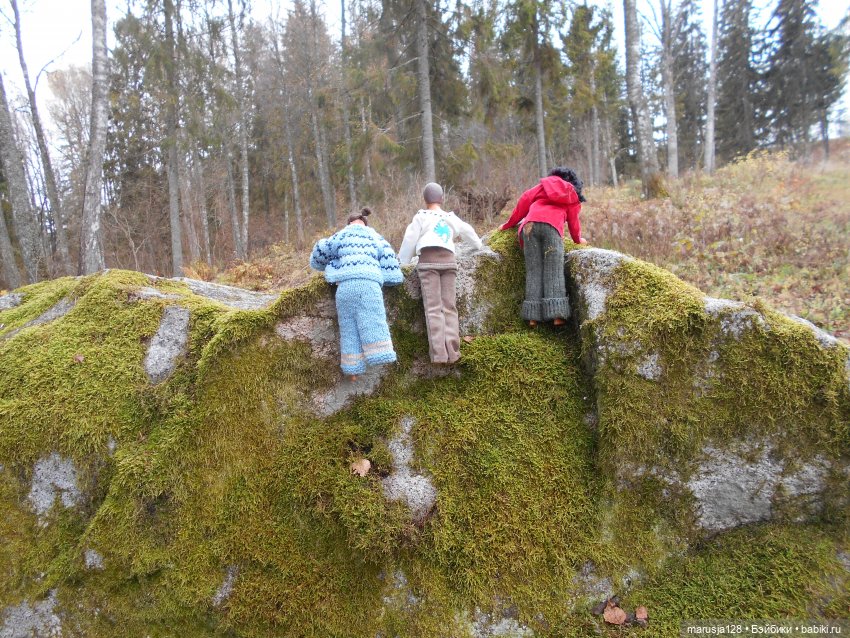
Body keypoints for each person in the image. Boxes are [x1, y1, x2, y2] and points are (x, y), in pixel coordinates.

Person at [310, 207, 403, 380]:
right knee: (373, 320)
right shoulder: (375, 236)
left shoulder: (341, 236)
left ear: (349, 223)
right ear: (365, 222)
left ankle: (352, 368)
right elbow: (389, 258)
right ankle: (380, 354)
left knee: (348, 329)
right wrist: (391, 277)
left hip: (344, 287)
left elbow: (321, 250)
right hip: (369, 285)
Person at [398, 182, 483, 364]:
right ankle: (453, 352)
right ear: (442, 198)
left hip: (428, 263)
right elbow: (468, 231)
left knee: (433, 309)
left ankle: (439, 354)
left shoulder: (421, 217)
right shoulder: (450, 217)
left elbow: (409, 239)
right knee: (449, 307)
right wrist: (478, 245)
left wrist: (403, 261)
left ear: (424, 199)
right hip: (449, 263)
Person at [499, 167, 587, 327]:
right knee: (553, 269)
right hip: (552, 228)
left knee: (534, 270)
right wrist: (577, 239)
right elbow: (574, 223)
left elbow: (524, 201)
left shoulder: (543, 186)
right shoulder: (571, 194)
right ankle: (557, 316)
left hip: (529, 226)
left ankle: (533, 317)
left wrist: (508, 224)